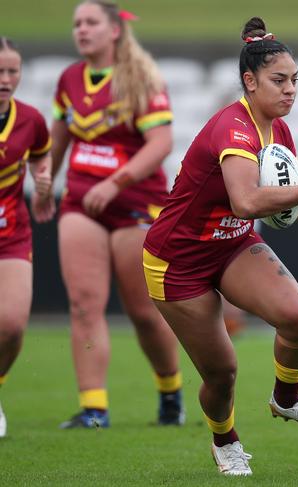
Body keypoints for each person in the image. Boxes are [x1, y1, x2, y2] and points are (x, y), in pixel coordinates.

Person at [142, 17, 298, 477]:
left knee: (297, 319)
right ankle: (225, 440)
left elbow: (288, 219)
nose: (290, 89)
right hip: (178, 261)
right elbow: (248, 200)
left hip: (231, 244)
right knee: (222, 372)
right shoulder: (233, 128)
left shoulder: (279, 130)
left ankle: (286, 401)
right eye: (279, 80)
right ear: (250, 82)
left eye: (295, 80)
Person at [50, 0, 184, 429]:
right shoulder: (69, 78)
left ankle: (170, 392)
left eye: (91, 22)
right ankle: (94, 409)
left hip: (135, 204)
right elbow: (58, 139)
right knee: (83, 304)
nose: (81, 30)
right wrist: (41, 186)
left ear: (113, 30)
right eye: (76, 24)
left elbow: (161, 144)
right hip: (81, 202)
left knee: (144, 312)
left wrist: (116, 182)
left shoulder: (140, 78)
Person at [0, 37, 54, 438]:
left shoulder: (31, 118)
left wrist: (43, 179)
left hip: (11, 234)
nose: (6, 79)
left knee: (13, 325)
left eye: (12, 71)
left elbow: (40, 152)